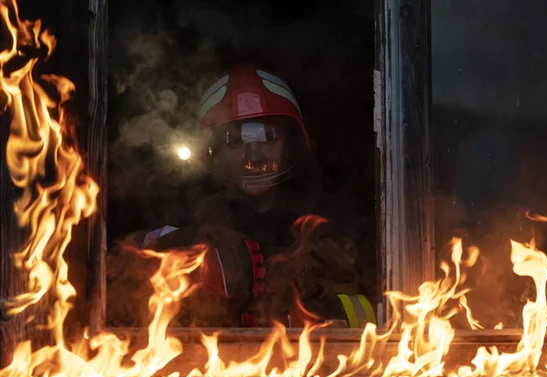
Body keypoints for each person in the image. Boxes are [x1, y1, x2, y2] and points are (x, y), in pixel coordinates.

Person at [107, 65, 376, 329]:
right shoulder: (182, 218)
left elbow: (379, 317)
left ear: (290, 146)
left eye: (268, 138)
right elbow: (123, 277)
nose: (255, 157)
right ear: (213, 152)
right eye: (236, 143)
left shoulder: (327, 228)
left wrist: (306, 309)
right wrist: (192, 255)